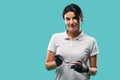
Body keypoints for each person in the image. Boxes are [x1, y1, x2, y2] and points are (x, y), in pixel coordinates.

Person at [45, 3, 99, 80]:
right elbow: (47, 66)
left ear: (81, 18)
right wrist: (56, 63)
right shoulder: (55, 38)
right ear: (64, 20)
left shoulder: (91, 41)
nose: (71, 22)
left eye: (75, 18)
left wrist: (86, 69)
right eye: (67, 19)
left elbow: (94, 70)